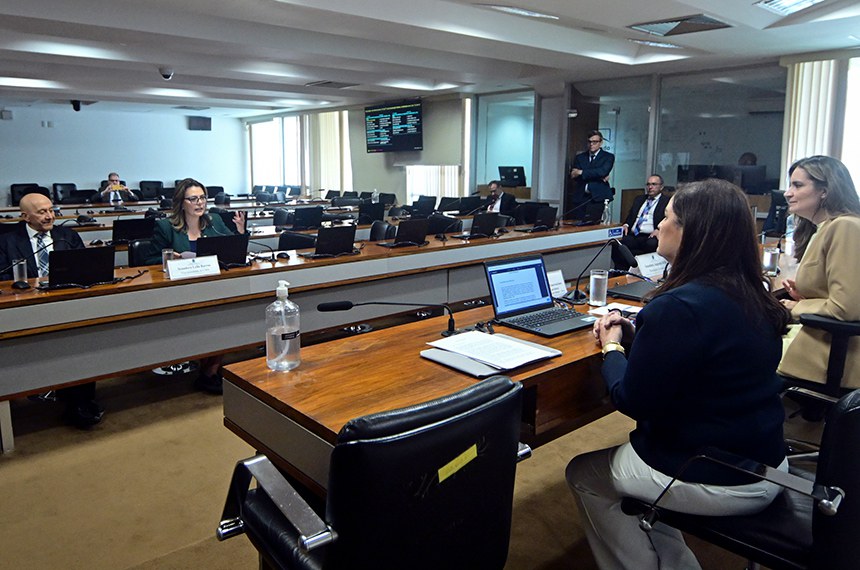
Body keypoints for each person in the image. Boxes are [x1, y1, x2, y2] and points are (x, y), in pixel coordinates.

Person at [566, 178, 790, 570]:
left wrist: (612, 347)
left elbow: (632, 401)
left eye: (666, 218)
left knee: (584, 473)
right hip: (766, 459)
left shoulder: (679, 306)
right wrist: (642, 337)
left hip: (713, 469)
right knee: (644, 487)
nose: (656, 228)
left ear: (691, 231)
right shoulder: (754, 291)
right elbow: (705, 354)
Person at [0, 193, 104, 427]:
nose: (50, 216)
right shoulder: (6, 241)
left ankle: (82, 401)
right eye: (42, 212)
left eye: (51, 210)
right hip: (27, 307)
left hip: (69, 303)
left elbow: (86, 268)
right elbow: (3, 277)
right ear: (24, 216)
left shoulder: (67, 236)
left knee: (82, 341)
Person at [146, 178, 246, 394]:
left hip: (213, 286)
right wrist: (169, 257)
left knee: (225, 313)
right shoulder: (166, 226)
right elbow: (149, 261)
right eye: (193, 199)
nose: (199, 203)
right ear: (182, 203)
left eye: (202, 198)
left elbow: (233, 251)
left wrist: (239, 232)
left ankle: (211, 370)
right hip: (179, 290)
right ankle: (207, 369)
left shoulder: (215, 221)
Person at [778, 155, 860, 388]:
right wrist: (807, 296)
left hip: (828, 357)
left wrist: (797, 307)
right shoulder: (824, 229)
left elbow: (847, 308)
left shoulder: (845, 227)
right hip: (818, 343)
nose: (787, 193)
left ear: (825, 191)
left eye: (798, 185)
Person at [612, 174, 669, 270]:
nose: (650, 187)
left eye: (654, 184)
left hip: (650, 236)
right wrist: (626, 225)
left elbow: (669, 219)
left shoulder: (666, 201)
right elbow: (631, 216)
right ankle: (621, 272)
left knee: (652, 244)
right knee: (617, 244)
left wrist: (659, 229)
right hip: (634, 234)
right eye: (648, 184)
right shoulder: (639, 199)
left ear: (661, 187)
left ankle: (644, 272)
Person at [569, 130, 615, 211]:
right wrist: (598, 177)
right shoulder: (580, 157)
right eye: (589, 142)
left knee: (595, 222)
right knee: (577, 221)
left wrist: (581, 172)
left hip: (598, 196)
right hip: (581, 196)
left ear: (601, 143)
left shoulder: (608, 157)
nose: (591, 144)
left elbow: (602, 171)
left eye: (595, 142)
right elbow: (574, 176)